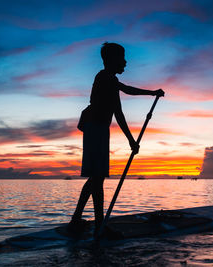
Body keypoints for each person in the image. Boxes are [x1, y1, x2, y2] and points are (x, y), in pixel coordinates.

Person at [68, 42, 164, 236]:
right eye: (122, 58)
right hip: (96, 130)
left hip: (99, 130)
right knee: (98, 179)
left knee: (96, 178)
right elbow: (123, 101)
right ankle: (99, 225)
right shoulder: (105, 78)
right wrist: (152, 93)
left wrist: (130, 139)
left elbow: (122, 102)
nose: (126, 62)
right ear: (111, 60)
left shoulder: (109, 79)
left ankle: (78, 219)